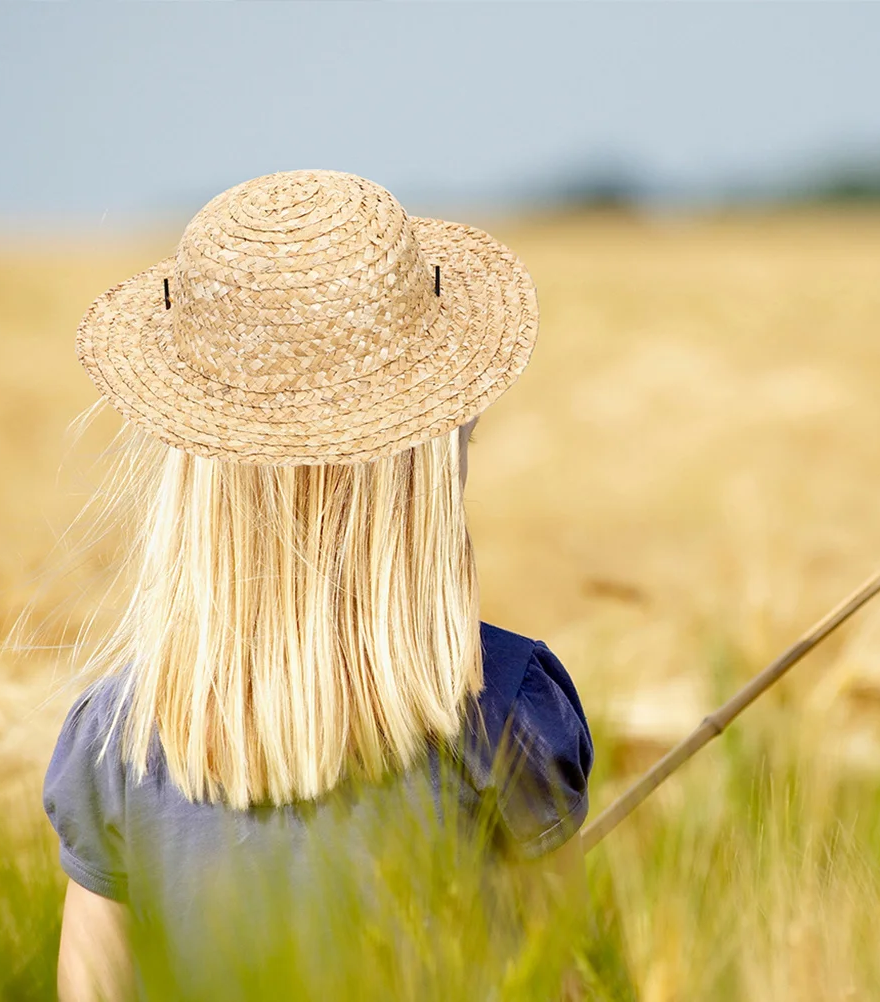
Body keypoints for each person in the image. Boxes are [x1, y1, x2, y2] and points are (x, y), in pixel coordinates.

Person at [42, 169, 594, 1001]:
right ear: (431, 463)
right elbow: (559, 985)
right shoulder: (507, 710)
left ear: (195, 472)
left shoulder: (114, 740)